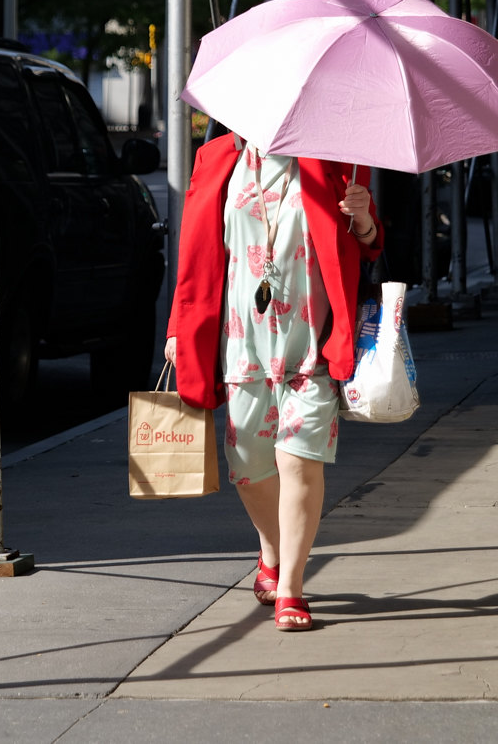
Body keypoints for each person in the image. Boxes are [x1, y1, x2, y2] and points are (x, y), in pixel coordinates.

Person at [164, 133, 383, 632]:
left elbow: (366, 244)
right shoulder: (218, 158)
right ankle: (273, 551)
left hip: (312, 341)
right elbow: (195, 255)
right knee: (247, 462)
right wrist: (180, 326)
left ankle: (291, 588)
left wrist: (364, 219)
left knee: (297, 458)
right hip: (243, 341)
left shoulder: (334, 154)